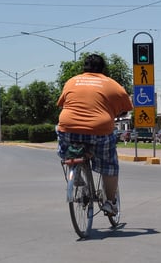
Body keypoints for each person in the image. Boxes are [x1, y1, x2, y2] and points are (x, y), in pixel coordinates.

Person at [56, 54, 133, 215]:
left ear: (84, 68)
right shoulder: (110, 83)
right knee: (110, 166)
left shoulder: (72, 81)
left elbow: (61, 103)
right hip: (99, 131)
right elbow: (127, 106)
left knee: (62, 135)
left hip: (69, 129)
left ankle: (73, 167)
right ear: (103, 69)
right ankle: (110, 203)